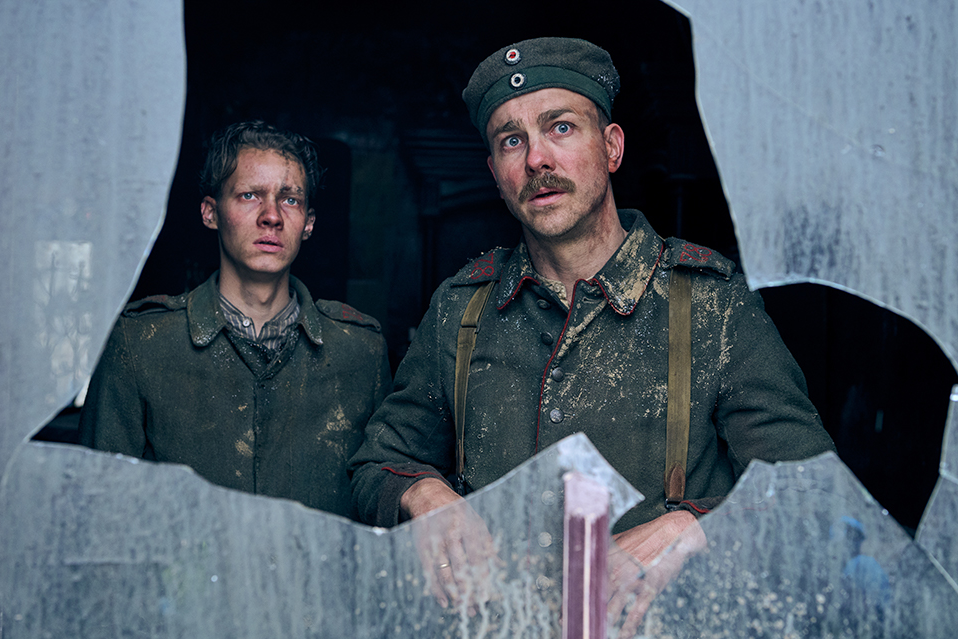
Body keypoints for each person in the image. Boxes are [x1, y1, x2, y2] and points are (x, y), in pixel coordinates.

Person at [350, 37, 833, 562]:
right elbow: (377, 464)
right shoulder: (461, 309)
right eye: (511, 140)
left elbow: (811, 495)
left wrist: (696, 527)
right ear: (495, 174)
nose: (537, 158)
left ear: (612, 147)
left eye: (561, 127)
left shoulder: (711, 306)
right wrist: (422, 494)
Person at [79, 120, 391, 519]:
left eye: (290, 199)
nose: (272, 216)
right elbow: (98, 507)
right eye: (249, 195)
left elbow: (377, 502)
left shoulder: (359, 351)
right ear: (211, 213)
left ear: (308, 223)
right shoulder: (141, 343)